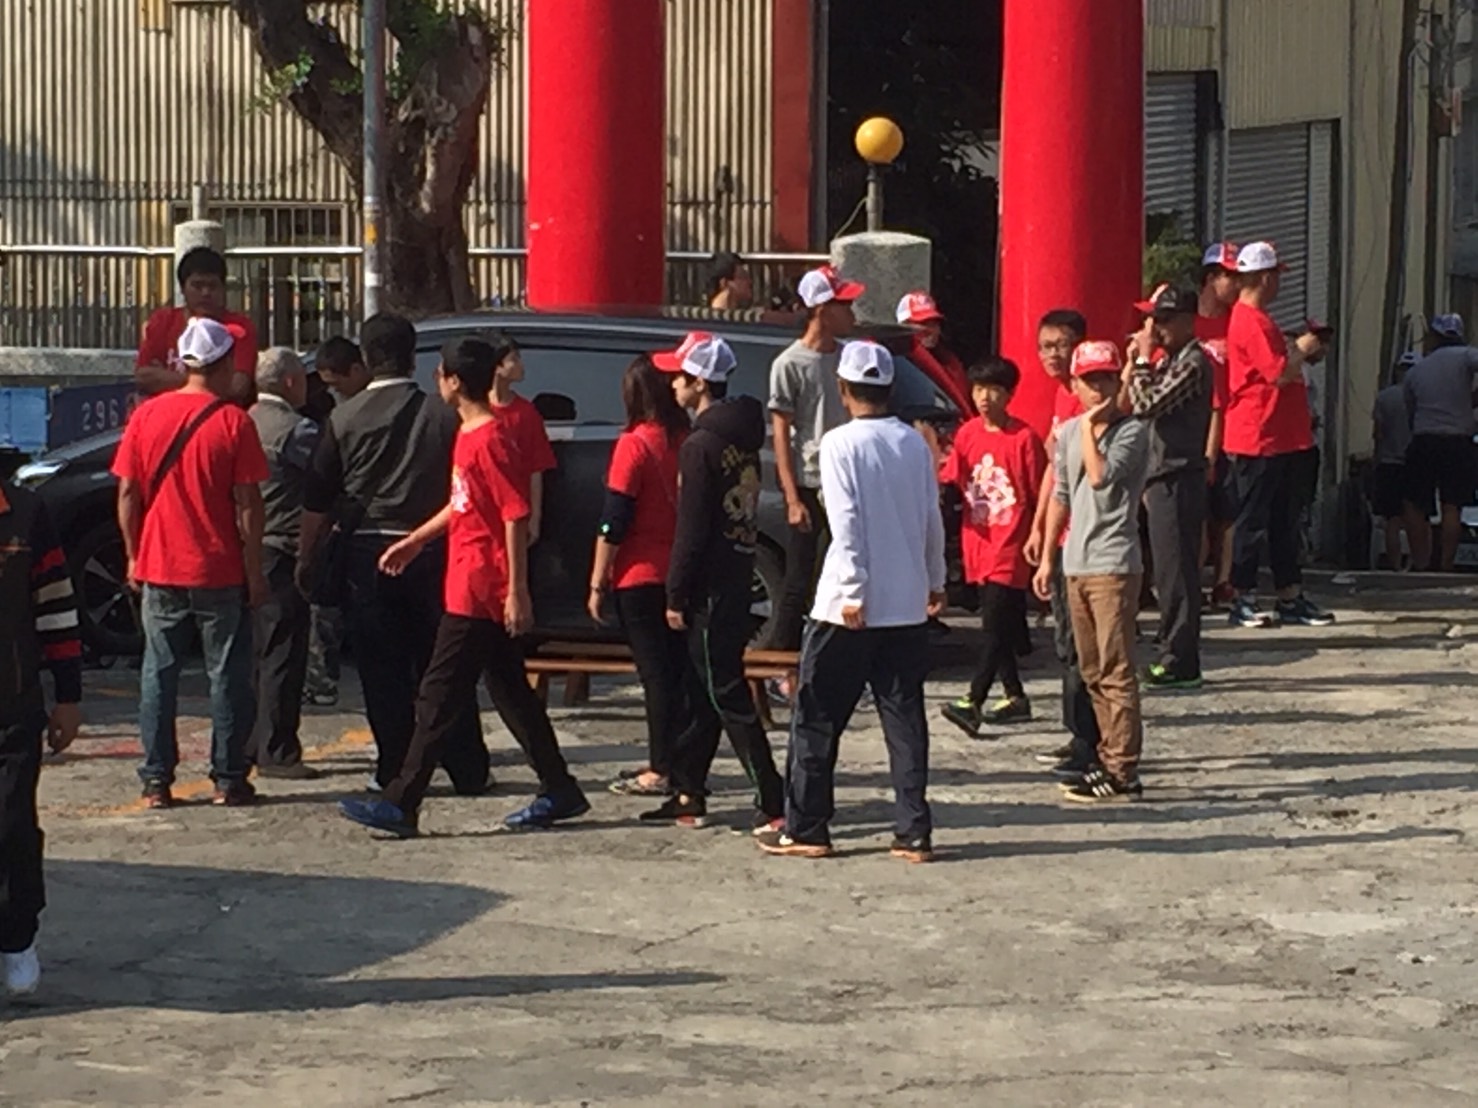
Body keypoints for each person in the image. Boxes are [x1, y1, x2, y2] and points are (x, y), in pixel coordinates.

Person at [338, 338, 590, 836]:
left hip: (481, 584)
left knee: (437, 695)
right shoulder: (469, 433)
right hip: (471, 577)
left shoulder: (488, 439)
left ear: (454, 381)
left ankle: (402, 800)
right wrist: (416, 540)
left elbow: (515, 513)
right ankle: (559, 786)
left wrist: (517, 588)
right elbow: (463, 504)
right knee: (511, 692)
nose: (437, 380)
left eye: (442, 373)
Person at [757, 341, 947, 861]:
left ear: (843, 390)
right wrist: (935, 578)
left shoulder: (838, 443)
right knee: (904, 716)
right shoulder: (914, 444)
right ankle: (913, 829)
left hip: (848, 605)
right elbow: (931, 517)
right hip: (905, 602)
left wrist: (855, 587)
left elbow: (846, 523)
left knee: (816, 716)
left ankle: (807, 825)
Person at [299, 314, 490, 796]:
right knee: (443, 666)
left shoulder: (343, 418)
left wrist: (307, 558)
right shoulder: (444, 415)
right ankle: (467, 766)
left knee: (381, 669)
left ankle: (393, 768)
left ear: (365, 358)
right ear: (412, 357)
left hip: (367, 554)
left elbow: (317, 499)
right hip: (434, 550)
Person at [113, 318, 269, 808]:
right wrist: (254, 569)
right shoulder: (234, 422)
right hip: (219, 567)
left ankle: (156, 781)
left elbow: (127, 493)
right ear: (223, 364)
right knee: (227, 674)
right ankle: (229, 778)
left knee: (158, 672)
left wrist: (133, 554)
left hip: (159, 564)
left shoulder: (146, 416)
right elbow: (248, 505)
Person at [642, 332, 785, 831]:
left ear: (700, 383)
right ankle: (688, 789)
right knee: (701, 689)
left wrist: (675, 592)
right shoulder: (742, 437)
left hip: (709, 585)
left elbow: (692, 526)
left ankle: (772, 797)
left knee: (724, 691)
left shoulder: (700, 444)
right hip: (737, 573)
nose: (673, 385)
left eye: (680, 377)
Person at [1032, 340, 1151, 803]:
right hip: (1076, 562)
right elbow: (1062, 493)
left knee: (1116, 667)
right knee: (1091, 668)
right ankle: (1105, 755)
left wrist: (1088, 426)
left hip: (1113, 562)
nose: (1097, 388)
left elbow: (1101, 477)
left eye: (1105, 378)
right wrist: (1047, 555)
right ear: (1075, 384)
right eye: (1089, 380)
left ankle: (1123, 768)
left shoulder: (1131, 431)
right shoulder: (1067, 434)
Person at [587, 355, 691, 797]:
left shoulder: (633, 444)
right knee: (678, 672)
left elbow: (614, 518)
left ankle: (659, 766)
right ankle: (684, 763)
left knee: (654, 675)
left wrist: (598, 579)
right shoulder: (686, 439)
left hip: (639, 572)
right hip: (681, 569)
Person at [1224, 242, 1335, 628]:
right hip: (1259, 436)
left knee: (1284, 521)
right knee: (1253, 522)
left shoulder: (1260, 320)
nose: (1278, 283)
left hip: (1282, 436)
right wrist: (1302, 349)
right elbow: (1278, 373)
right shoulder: (1249, 320)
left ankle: (1289, 594)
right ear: (1264, 278)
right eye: (1275, 275)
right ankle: (1243, 596)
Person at [0, 483, 82, 997]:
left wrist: (68, 696)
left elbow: (54, 605)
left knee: (10, 825)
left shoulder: (25, 514)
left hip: (11, 709)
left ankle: (16, 938)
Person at [938, 357, 1046, 738]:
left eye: (994, 391)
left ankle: (974, 699)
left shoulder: (1024, 439)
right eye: (979, 390)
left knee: (992, 626)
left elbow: (1041, 493)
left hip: (1011, 543)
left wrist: (1040, 538)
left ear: (1009, 394)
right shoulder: (967, 434)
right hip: (978, 542)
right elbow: (951, 476)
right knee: (1000, 622)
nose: (985, 398)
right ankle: (1015, 695)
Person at [768, 265, 864, 664]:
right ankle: (781, 662)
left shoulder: (848, 357)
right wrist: (792, 497)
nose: (852, 313)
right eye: (845, 305)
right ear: (822, 309)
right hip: (810, 481)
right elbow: (781, 433)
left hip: (849, 480)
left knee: (845, 571)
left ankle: (835, 657)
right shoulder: (789, 364)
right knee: (799, 577)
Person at [1021, 309, 1102, 776]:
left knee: (1081, 645)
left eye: (1062, 345)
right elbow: (1055, 473)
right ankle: (1077, 734)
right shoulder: (1061, 396)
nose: (1053, 354)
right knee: (1066, 644)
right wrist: (1038, 529)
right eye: (1045, 346)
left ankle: (1090, 742)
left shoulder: (1086, 403)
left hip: (1085, 542)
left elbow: (1073, 479)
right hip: (1061, 534)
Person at [1128, 286, 1215, 690]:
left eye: (1162, 320)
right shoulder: (1171, 361)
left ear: (1186, 320)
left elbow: (1146, 404)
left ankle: (1180, 658)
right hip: (1160, 475)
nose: (1154, 329)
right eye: (1150, 321)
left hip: (1179, 475)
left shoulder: (1193, 363)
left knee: (1177, 570)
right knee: (1164, 569)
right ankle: (1171, 646)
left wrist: (1143, 360)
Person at [248, 349, 322, 779]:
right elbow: (327, 477)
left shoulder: (244, 422)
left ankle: (249, 743)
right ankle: (277, 749)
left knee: (255, 652)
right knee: (284, 652)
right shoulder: (297, 430)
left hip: (248, 547)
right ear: (292, 381)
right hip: (284, 545)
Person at [303, 335, 369, 707]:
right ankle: (323, 677)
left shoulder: (347, 417)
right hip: (342, 520)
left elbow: (319, 486)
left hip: (363, 520)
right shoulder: (332, 412)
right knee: (325, 604)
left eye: (337, 383)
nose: (333, 392)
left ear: (357, 370)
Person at [1402, 314, 1478, 572]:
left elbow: (1410, 408)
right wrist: (1472, 400)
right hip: (1458, 439)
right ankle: (1446, 562)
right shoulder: (1467, 356)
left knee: (1414, 503)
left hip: (1425, 437)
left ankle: (1421, 562)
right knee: (1452, 504)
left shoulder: (1418, 369)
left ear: (1433, 337)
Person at [135, 246, 257, 406]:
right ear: (182, 288)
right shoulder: (163, 322)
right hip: (167, 411)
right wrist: (207, 381)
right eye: (197, 286)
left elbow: (237, 387)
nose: (205, 293)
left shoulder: (239, 328)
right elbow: (143, 377)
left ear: (223, 288)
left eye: (212, 286)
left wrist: (166, 378)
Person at [486, 333, 558, 545]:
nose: (521, 365)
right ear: (497, 367)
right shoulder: (476, 409)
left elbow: (536, 470)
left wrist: (534, 519)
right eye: (514, 359)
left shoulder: (526, 413)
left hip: (515, 514)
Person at [1373, 352, 1419, 570]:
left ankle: (1395, 565)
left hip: (1389, 462)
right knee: (1416, 518)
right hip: (1414, 464)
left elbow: (1378, 433)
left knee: (1392, 519)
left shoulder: (1384, 397)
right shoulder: (1421, 398)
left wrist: (1377, 458)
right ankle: (1417, 563)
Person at [897, 290, 969, 406]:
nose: (929, 330)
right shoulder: (896, 362)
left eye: (933, 324)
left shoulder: (950, 363)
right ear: (903, 327)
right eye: (922, 324)